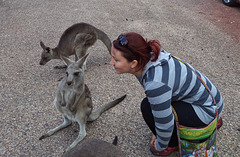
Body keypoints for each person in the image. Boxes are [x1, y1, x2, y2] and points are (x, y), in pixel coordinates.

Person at [109, 32, 224, 156]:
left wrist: (160, 144)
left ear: (134, 63)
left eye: (116, 60)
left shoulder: (155, 84)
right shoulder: (152, 57)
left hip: (207, 110)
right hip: (214, 101)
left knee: (147, 107)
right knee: (157, 104)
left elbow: (165, 123)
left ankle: (172, 144)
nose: (111, 63)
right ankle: (214, 121)